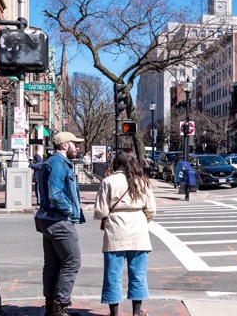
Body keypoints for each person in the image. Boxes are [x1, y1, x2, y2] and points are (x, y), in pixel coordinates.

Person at [94, 149, 156, 316]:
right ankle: (136, 312)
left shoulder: (108, 181)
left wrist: (107, 216)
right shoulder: (143, 181)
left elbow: (100, 210)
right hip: (138, 231)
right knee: (138, 274)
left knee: (112, 275)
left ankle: (114, 313)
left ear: (117, 163)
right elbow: (151, 210)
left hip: (115, 230)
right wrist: (142, 220)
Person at [35, 132, 86, 316]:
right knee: (72, 262)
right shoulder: (58, 164)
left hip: (48, 220)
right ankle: (60, 307)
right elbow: (55, 194)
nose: (77, 147)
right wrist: (70, 211)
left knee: (52, 265)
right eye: (75, 144)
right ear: (65, 145)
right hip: (59, 221)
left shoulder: (50, 163)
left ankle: (51, 306)